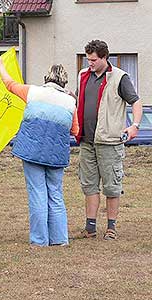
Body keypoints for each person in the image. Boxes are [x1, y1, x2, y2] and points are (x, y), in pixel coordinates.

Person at [0, 57, 79, 247]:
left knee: (37, 193)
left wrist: (0, 65)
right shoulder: (69, 102)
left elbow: (9, 84)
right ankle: (60, 239)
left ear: (46, 78)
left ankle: (40, 240)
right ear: (64, 82)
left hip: (32, 152)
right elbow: (75, 131)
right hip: (57, 155)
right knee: (55, 194)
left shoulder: (32, 92)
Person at [75, 40, 142, 240]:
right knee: (89, 185)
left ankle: (111, 228)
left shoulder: (120, 78)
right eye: (88, 60)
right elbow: (79, 100)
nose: (90, 64)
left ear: (105, 57)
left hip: (110, 142)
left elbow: (135, 101)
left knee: (112, 186)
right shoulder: (82, 75)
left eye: (94, 60)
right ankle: (90, 227)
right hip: (86, 141)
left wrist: (134, 126)